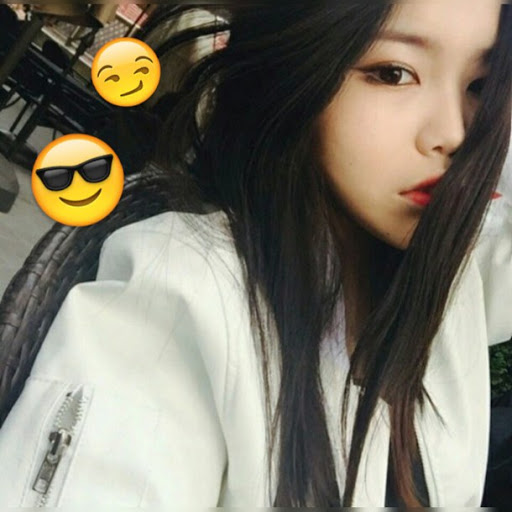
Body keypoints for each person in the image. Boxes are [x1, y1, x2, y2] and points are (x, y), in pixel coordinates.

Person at [0, 0, 511, 507]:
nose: (453, 134)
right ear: (301, 66)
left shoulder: (455, 283)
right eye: (393, 73)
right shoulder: (180, 298)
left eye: (479, 88)